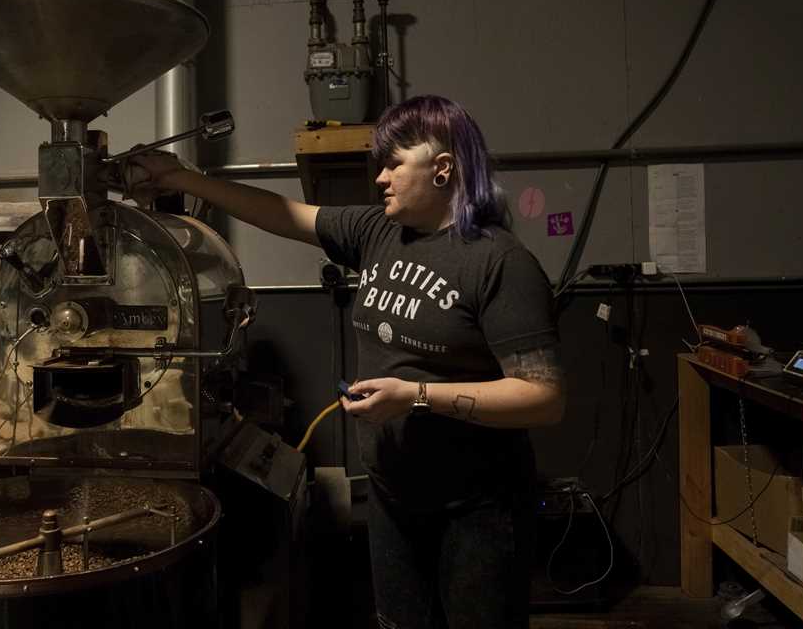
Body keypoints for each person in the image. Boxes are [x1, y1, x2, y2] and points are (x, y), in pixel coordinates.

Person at [131, 94, 565, 628]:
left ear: (443, 169)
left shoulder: (500, 263)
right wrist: (180, 178)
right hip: (393, 494)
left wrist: (417, 397)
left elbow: (543, 397)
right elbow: (282, 214)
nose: (380, 177)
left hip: (476, 509)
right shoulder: (378, 232)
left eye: (393, 163)